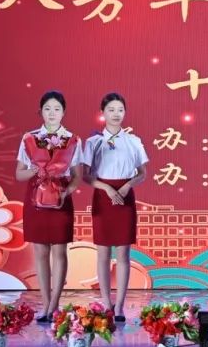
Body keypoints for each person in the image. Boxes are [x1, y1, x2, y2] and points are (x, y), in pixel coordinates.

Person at [14, 90, 84, 323]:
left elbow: (77, 176)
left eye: (56, 109)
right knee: (41, 252)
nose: (52, 113)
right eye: (47, 109)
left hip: (60, 199)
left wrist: (65, 192)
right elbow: (19, 174)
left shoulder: (73, 140)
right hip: (35, 198)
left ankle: (54, 304)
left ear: (63, 112)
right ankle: (46, 303)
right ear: (40, 112)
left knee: (60, 252)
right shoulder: (29, 138)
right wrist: (34, 170)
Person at [83, 93, 148, 323]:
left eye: (120, 109)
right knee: (102, 254)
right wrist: (107, 189)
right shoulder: (93, 142)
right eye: (111, 109)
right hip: (103, 196)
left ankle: (119, 306)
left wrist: (127, 186)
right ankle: (106, 303)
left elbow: (142, 173)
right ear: (102, 113)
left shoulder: (133, 141)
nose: (116, 114)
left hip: (125, 196)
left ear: (125, 112)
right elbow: (86, 176)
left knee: (123, 254)